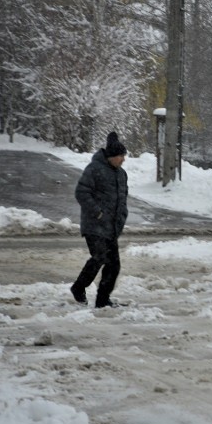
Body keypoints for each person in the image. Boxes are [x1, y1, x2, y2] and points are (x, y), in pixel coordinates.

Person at [71, 132, 129, 308]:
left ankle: (103, 300)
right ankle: (78, 288)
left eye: (124, 156)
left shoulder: (121, 174)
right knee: (100, 257)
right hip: (95, 225)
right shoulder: (94, 169)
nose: (123, 160)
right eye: (120, 156)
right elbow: (81, 192)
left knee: (114, 265)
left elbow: (123, 198)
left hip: (111, 227)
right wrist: (98, 213)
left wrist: (122, 216)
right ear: (111, 156)